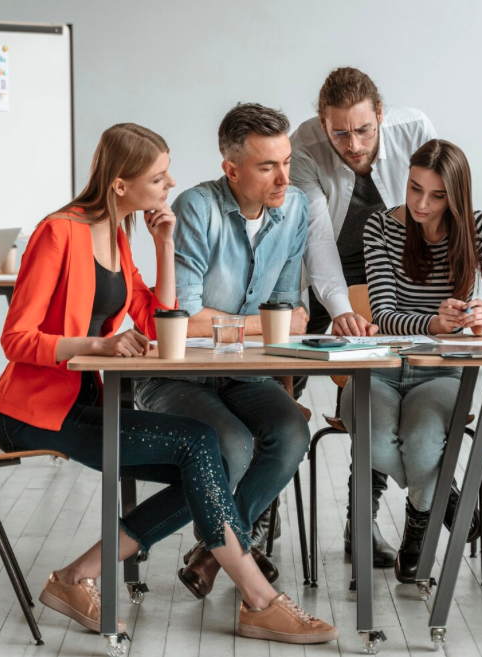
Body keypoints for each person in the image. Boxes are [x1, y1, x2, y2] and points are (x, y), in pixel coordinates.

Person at [0, 123, 336, 643]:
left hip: (86, 404)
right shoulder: (59, 232)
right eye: (159, 175)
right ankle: (259, 599)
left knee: (204, 461)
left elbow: (159, 319)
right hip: (32, 413)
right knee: (199, 443)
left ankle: (75, 576)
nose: (171, 182)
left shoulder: (119, 235)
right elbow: (15, 338)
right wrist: (97, 346)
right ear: (121, 185)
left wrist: (164, 245)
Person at [133, 104, 312, 600]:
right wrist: (264, 326)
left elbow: (291, 313)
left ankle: (214, 551)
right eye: (266, 166)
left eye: (287, 161)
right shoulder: (197, 208)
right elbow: (185, 321)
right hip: (178, 377)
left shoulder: (294, 208)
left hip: (244, 373)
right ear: (231, 169)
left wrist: (261, 324)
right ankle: (232, 548)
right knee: (231, 443)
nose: (283, 178)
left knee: (292, 430)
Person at [288, 67, 439, 565]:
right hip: (325, 268)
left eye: (363, 130)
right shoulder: (305, 145)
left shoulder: (413, 128)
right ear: (321, 122)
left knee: (377, 384)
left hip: (395, 267)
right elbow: (316, 239)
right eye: (340, 133)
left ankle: (362, 522)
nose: (352, 145)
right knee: (279, 376)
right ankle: (259, 513)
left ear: (380, 114)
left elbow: (438, 208)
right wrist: (341, 311)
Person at [338, 139, 482, 582]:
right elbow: (386, 313)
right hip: (378, 368)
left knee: (423, 440)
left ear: (457, 196)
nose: (421, 204)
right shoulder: (380, 227)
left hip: (443, 373)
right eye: (415, 189)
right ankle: (444, 497)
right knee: (372, 440)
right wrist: (433, 323)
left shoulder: (480, 229)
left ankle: (418, 527)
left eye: (436, 195)